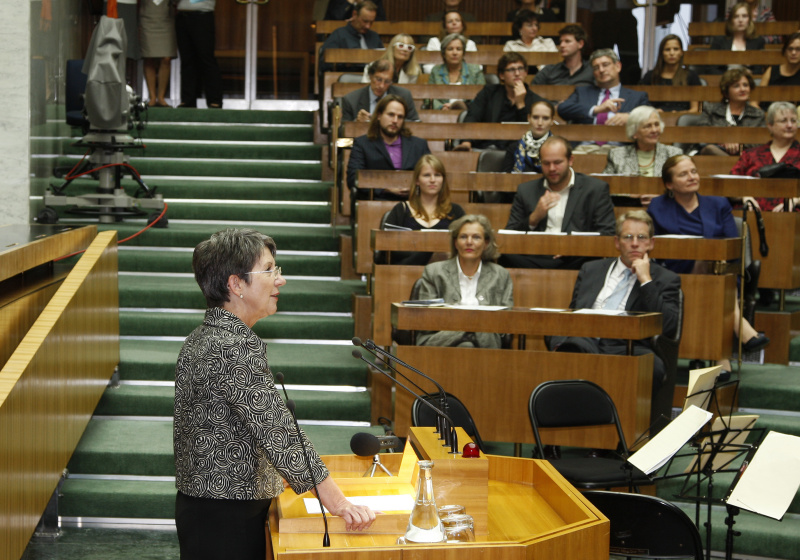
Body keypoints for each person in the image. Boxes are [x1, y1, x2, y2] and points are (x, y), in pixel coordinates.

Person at [174, 228, 376, 559]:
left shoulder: (205, 336)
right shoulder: (231, 346)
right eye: (269, 270)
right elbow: (278, 432)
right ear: (236, 284)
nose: (279, 280)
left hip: (214, 510)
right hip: (226, 518)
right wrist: (338, 502)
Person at [548, 210, 681, 432]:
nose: (635, 244)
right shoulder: (591, 270)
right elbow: (573, 311)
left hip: (627, 347)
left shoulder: (665, 279)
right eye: (628, 237)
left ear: (652, 243)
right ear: (617, 242)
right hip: (585, 336)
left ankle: (617, 435)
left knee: (651, 366)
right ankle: (559, 434)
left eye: (642, 238)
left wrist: (646, 280)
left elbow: (668, 326)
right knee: (567, 344)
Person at [647, 155, 770, 367]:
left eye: (694, 171)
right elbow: (653, 247)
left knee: (713, 268)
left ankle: (718, 354)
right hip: (675, 274)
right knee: (710, 273)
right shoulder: (657, 206)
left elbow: (732, 246)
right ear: (669, 183)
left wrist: (709, 255)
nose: (691, 177)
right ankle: (730, 345)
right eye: (683, 174)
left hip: (721, 271)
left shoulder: (718, 204)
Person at [501, 136, 616, 269]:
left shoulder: (595, 189)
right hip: (536, 255)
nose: (552, 168)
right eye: (546, 163)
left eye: (557, 162)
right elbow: (510, 235)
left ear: (570, 160)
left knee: (590, 261)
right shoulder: (526, 190)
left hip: (574, 257)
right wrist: (534, 218)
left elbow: (607, 233)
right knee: (505, 256)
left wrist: (573, 247)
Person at [415, 214, 513, 348]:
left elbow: (506, 321)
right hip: (441, 338)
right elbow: (427, 319)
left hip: (486, 342)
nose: (469, 242)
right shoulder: (434, 272)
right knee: (467, 345)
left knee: (467, 345)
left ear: (486, 244)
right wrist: (472, 326)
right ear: (455, 243)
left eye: (476, 237)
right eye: (463, 237)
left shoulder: (500, 275)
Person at [382, 154, 466, 265]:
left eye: (437, 175)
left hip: (446, 274)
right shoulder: (401, 210)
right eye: (427, 175)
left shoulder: (456, 211)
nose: (432, 180)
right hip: (406, 272)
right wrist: (430, 251)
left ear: (443, 180)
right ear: (417, 180)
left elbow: (464, 245)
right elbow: (386, 249)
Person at [456, 52, 547, 151]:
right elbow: (473, 116)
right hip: (487, 146)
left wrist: (520, 104)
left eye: (520, 69)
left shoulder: (536, 101)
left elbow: (531, 133)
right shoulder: (489, 93)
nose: (517, 73)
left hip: (520, 151)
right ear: (501, 75)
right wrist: (466, 143)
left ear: (526, 72)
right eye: (511, 70)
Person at [346, 94, 430, 200]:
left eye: (400, 117)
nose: (395, 120)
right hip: (375, 202)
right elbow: (353, 179)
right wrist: (385, 188)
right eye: (391, 115)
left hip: (412, 203)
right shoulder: (362, 144)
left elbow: (430, 175)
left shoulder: (419, 145)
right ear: (379, 115)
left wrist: (414, 187)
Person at [731, 101, 800, 212]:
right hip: (753, 213)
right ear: (770, 125)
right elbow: (731, 185)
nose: (790, 125)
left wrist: (796, 201)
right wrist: (744, 196)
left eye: (793, 121)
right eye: (783, 121)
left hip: (793, 216)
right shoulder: (751, 155)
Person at [558, 49, 650, 127]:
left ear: (618, 66)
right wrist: (596, 109)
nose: (601, 70)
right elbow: (562, 109)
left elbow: (650, 115)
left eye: (605, 65)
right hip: (586, 146)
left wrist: (631, 117)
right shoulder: (582, 92)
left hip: (621, 146)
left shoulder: (637, 96)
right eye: (596, 67)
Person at [695, 67, 765, 156]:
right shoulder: (711, 109)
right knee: (710, 149)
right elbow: (702, 134)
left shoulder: (758, 114)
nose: (742, 89)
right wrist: (723, 141)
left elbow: (760, 142)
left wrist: (739, 143)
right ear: (726, 91)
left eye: (745, 85)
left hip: (745, 156)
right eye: (736, 86)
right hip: (715, 157)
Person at [603, 106, 683, 179]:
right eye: (648, 126)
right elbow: (607, 186)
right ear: (634, 133)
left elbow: (680, 185)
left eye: (656, 124)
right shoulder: (617, 155)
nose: (654, 130)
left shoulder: (673, 154)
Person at [175, 0, 223, 108]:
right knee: (187, 59)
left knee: (206, 58)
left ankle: (214, 100)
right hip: (182, 16)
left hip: (202, 16)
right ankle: (188, 100)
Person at [341, 59, 420, 122]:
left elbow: (414, 123)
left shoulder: (404, 96)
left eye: (387, 81)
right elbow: (343, 132)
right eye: (378, 79)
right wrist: (357, 122)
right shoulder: (351, 100)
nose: (381, 86)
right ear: (370, 76)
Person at [640, 35, 702, 113]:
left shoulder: (691, 76)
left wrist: (678, 115)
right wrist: (653, 111)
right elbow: (642, 106)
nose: (672, 53)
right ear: (662, 53)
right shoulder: (650, 76)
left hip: (683, 120)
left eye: (676, 49)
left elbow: (695, 109)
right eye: (667, 49)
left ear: (681, 52)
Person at [319, 1, 383, 74]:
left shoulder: (374, 36)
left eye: (371, 22)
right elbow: (324, 64)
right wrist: (345, 62)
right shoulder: (339, 34)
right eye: (365, 21)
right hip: (348, 78)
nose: (368, 26)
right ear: (354, 14)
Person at [427, 33, 485, 111]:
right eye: (450, 49)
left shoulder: (475, 70)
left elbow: (482, 97)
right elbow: (429, 97)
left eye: (458, 49)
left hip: (468, 113)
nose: (455, 53)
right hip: (442, 114)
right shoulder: (436, 70)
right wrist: (441, 107)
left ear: (463, 53)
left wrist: (464, 106)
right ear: (444, 53)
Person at [709, 2, 765, 74]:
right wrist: (728, 76)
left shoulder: (758, 41)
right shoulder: (719, 41)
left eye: (744, 16)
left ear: (749, 19)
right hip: (724, 80)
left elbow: (759, 70)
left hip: (748, 80)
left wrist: (749, 73)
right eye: (736, 16)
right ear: (731, 20)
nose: (740, 20)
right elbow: (711, 69)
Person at [140, 0, 177, 108]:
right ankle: (152, 98)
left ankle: (161, 98)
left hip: (166, 17)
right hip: (147, 16)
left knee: (166, 58)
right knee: (148, 57)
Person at [505, 100, 555, 173]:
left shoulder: (558, 149)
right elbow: (505, 179)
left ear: (552, 120)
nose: (540, 123)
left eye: (545, 118)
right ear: (529, 118)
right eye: (535, 117)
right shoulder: (514, 148)